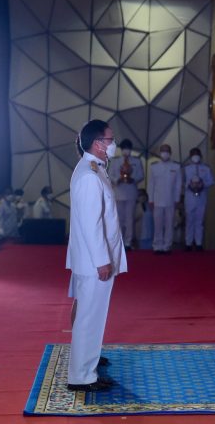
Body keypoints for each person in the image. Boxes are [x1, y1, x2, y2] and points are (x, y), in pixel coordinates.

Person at [65, 119, 127, 392]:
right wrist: (102, 260)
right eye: (110, 140)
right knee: (89, 318)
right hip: (93, 262)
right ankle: (81, 377)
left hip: (91, 259)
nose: (113, 144)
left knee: (91, 317)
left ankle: (87, 368)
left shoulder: (94, 169)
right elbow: (92, 224)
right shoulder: (90, 175)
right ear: (98, 143)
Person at [107, 139, 144, 250]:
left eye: (128, 148)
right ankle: (119, 242)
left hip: (131, 192)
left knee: (129, 219)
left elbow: (141, 175)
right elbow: (110, 175)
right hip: (119, 192)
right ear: (121, 149)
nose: (126, 150)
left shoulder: (136, 161)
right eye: (124, 148)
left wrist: (133, 179)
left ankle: (128, 242)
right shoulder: (115, 161)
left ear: (130, 149)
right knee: (119, 219)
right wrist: (117, 180)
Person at [148, 144, 181, 254]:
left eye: (167, 151)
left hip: (171, 200)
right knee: (157, 224)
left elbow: (178, 185)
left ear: (170, 153)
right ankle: (157, 246)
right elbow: (151, 185)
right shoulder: (154, 167)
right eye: (163, 151)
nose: (164, 153)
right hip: (157, 200)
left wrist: (177, 199)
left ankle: (167, 246)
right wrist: (151, 199)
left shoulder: (176, 167)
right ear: (159, 153)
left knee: (169, 224)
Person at [182, 147, 215, 251]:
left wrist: (202, 184)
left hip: (201, 197)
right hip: (189, 197)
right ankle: (188, 243)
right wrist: (190, 185)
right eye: (193, 154)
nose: (195, 156)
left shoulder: (206, 168)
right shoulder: (186, 169)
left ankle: (198, 243)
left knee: (199, 221)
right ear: (190, 156)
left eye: (197, 154)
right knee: (189, 221)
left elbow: (211, 181)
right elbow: (182, 182)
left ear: (200, 156)